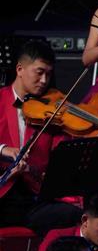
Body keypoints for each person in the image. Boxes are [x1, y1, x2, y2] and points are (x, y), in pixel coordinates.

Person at [0, 40, 82, 236]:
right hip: (3, 194)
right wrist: (3, 149)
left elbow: (60, 155)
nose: (44, 80)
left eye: (49, 74)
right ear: (20, 69)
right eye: (39, 72)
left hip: (32, 198)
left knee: (74, 216)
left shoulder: (51, 111)